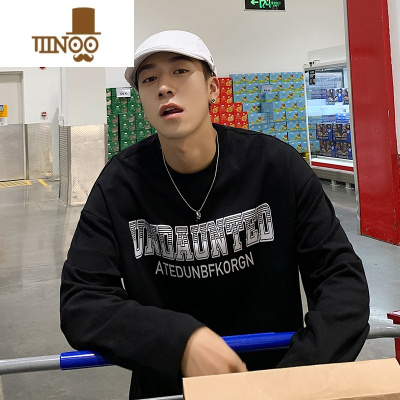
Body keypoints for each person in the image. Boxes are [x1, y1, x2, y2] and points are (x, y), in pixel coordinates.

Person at [60, 30, 370, 399]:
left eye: (180, 71)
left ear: (212, 88)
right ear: (142, 100)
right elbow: (81, 300)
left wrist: (296, 377)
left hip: (277, 384)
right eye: (149, 79)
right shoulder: (120, 185)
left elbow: (341, 280)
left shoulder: (275, 167)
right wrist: (180, 342)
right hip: (170, 391)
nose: (164, 87)